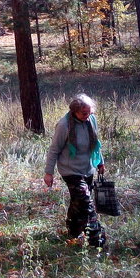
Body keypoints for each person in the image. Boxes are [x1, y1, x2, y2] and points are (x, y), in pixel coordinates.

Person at [43, 94, 106, 247]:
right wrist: (48, 172)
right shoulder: (64, 125)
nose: (88, 116)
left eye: (90, 112)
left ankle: (72, 231)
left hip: (88, 168)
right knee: (85, 201)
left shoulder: (91, 120)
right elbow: (54, 149)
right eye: (84, 113)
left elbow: (95, 143)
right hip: (70, 170)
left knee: (77, 202)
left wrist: (100, 163)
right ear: (74, 112)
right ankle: (97, 239)